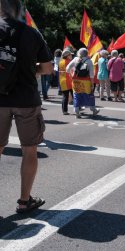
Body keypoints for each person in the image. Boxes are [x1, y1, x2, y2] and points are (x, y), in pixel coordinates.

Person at [0, 0, 52, 213]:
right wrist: (31, 69)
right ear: (19, 9)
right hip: (26, 99)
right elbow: (48, 69)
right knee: (29, 150)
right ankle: (24, 201)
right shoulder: (32, 33)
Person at [66, 48, 100, 118]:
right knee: (89, 95)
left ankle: (77, 111)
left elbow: (67, 68)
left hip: (76, 81)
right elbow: (91, 74)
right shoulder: (89, 61)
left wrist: (71, 74)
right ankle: (93, 109)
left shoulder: (75, 59)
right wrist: (92, 84)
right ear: (87, 53)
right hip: (86, 81)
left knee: (76, 95)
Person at [58, 49, 74, 115]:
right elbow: (72, 71)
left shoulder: (61, 61)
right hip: (69, 81)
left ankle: (64, 110)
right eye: (70, 55)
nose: (71, 56)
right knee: (74, 95)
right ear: (67, 56)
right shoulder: (68, 62)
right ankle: (78, 107)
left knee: (65, 96)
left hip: (62, 80)